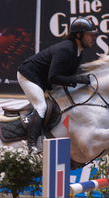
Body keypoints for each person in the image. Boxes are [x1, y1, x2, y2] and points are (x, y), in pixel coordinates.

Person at [17, 17, 97, 149]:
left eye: (94, 35)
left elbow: (67, 77)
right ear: (78, 35)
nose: (93, 38)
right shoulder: (66, 49)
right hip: (28, 75)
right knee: (41, 106)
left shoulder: (78, 52)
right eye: (90, 35)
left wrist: (80, 80)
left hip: (42, 79)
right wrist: (78, 79)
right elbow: (54, 78)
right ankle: (31, 146)